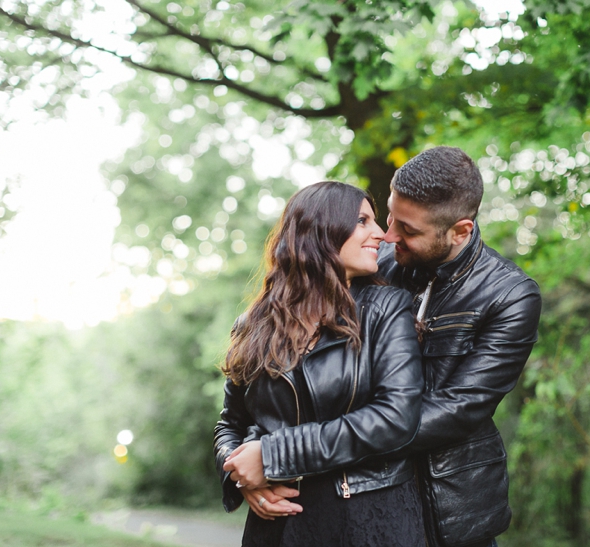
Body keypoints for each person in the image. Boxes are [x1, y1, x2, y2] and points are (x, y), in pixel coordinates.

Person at [213, 181, 425, 547]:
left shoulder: (386, 309)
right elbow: (229, 424)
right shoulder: (253, 324)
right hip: (276, 527)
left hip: (369, 520)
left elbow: (396, 416)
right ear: (320, 231)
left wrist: (272, 456)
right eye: (362, 221)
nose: (379, 234)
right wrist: (241, 478)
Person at [377, 146, 542, 547]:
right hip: (372, 497)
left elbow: (459, 408)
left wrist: (336, 440)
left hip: (454, 508)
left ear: (461, 231)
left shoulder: (510, 295)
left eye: (409, 230)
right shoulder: (375, 263)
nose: (388, 236)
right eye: (390, 217)